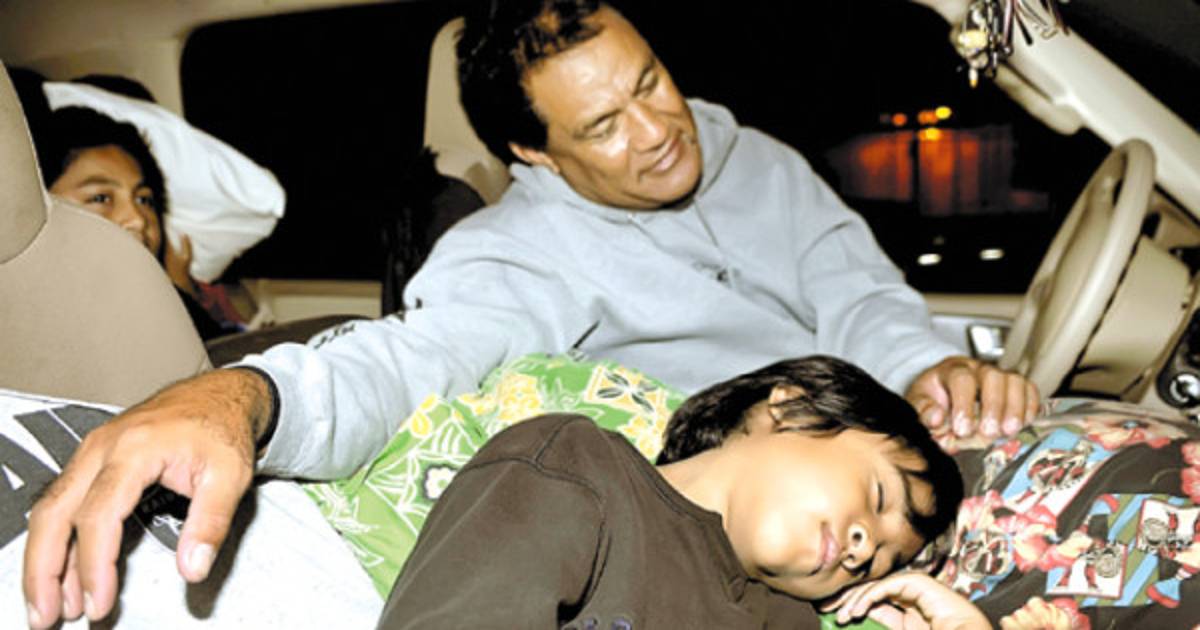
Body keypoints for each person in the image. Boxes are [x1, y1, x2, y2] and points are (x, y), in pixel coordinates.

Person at [24, 1, 1039, 626]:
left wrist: (927, 370)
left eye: (651, 82)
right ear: (535, 153)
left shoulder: (758, 159)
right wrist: (239, 398)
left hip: (880, 442)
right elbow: (410, 360)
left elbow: (859, 293)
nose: (660, 131)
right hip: (762, 521)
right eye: (605, 125)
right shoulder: (515, 256)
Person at [379, 356, 985, 628]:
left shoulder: (785, 618)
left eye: (879, 562)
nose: (863, 548)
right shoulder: (577, 470)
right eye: (877, 498)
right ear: (793, 407)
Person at [37, 106, 226, 340]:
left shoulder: (167, 310)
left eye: (144, 200)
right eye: (101, 198)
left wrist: (179, 290)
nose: (137, 220)